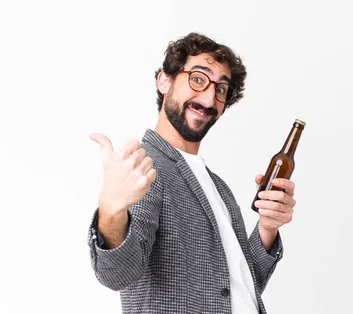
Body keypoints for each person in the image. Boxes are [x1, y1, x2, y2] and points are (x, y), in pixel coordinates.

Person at [86, 32, 296, 314]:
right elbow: (118, 274)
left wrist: (267, 229)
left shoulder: (217, 186)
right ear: (165, 80)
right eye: (198, 79)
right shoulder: (147, 168)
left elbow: (239, 287)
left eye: (221, 89)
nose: (209, 98)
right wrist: (110, 210)